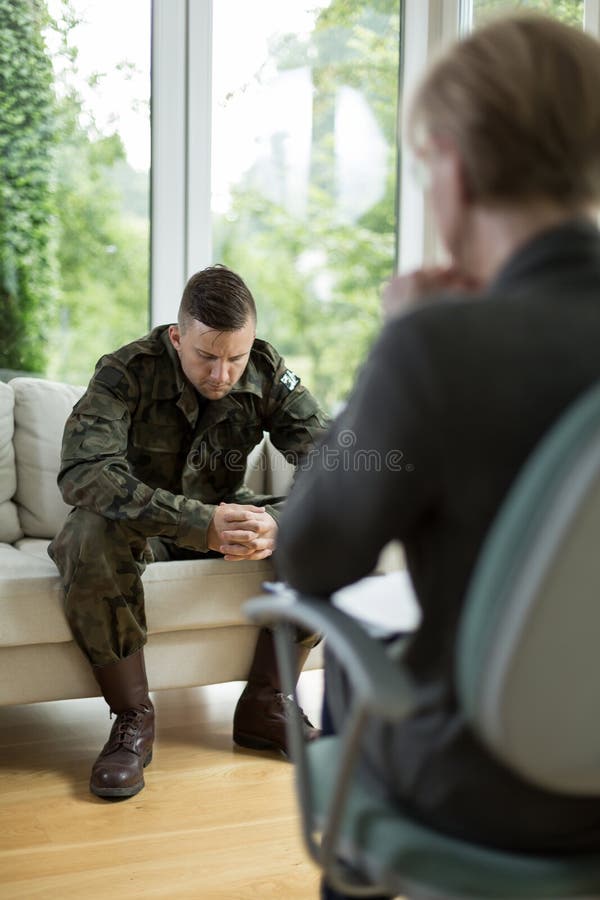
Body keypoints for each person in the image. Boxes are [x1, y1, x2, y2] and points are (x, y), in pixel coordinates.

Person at [275, 13, 600, 899]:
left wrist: (400, 339)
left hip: (488, 797)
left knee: (350, 662)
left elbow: (308, 557)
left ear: (451, 166)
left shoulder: (440, 351)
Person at [48, 264, 329, 800]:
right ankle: (132, 719)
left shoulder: (268, 370)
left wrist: (280, 524)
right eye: (206, 355)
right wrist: (199, 524)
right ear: (177, 337)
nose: (222, 374)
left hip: (226, 512)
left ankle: (267, 706)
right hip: (144, 525)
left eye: (235, 357)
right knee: (88, 533)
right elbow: (83, 473)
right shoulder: (125, 371)